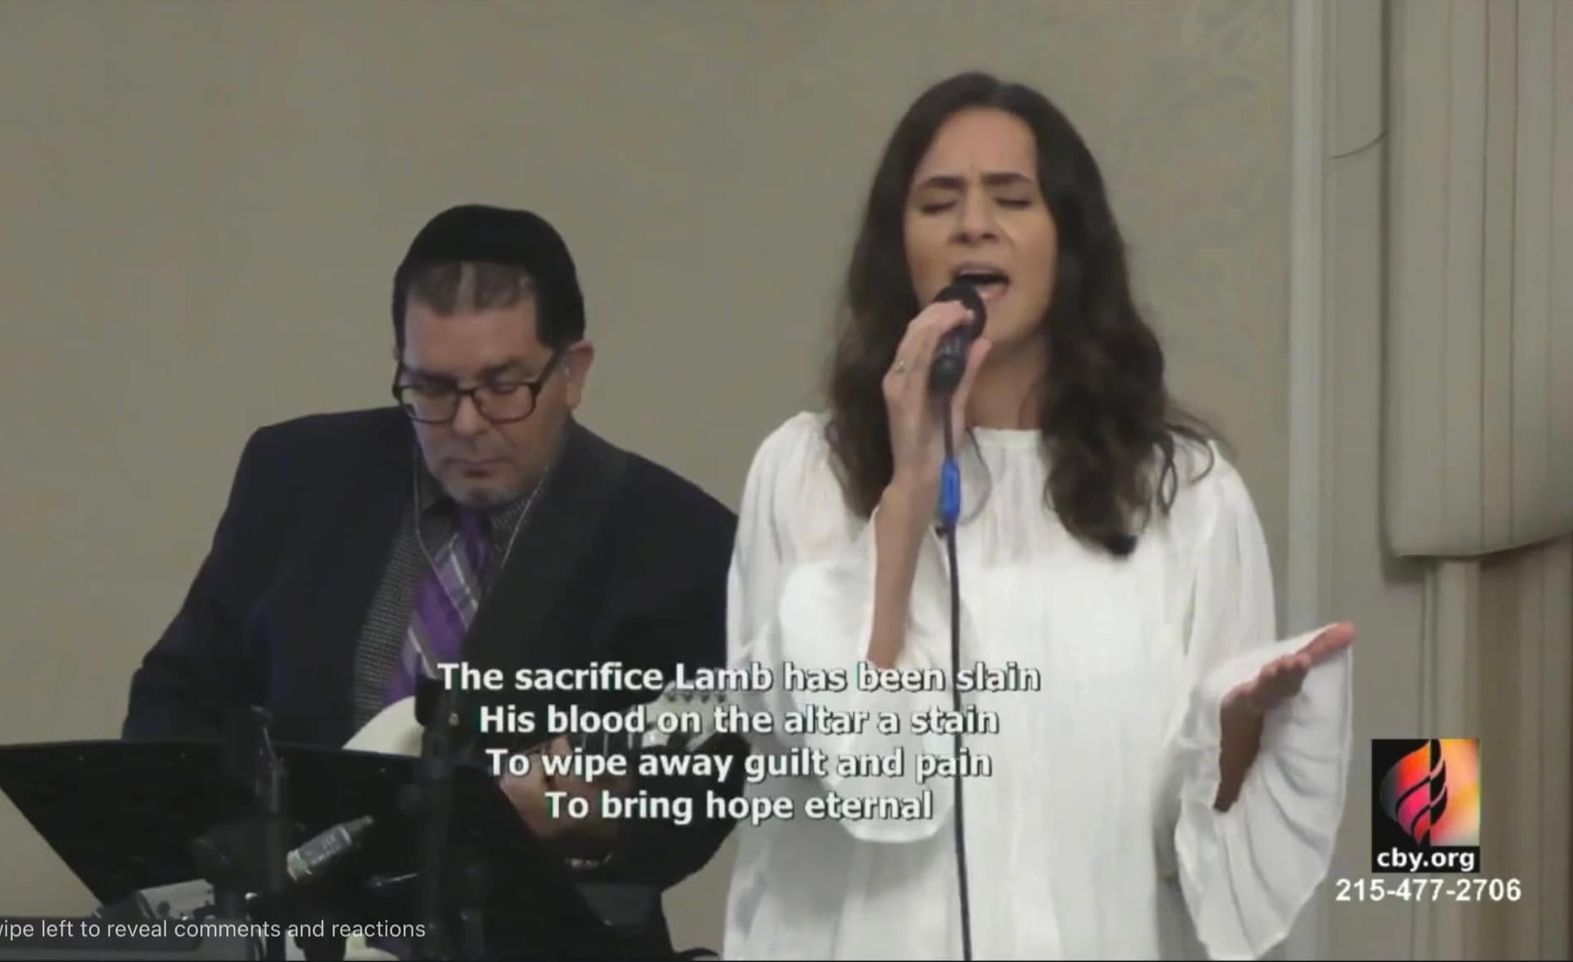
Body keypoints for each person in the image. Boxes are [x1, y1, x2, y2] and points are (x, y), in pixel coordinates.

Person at [721, 72, 1356, 960]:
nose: (973, 224)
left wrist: (1245, 732)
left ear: (1069, 242)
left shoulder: (1185, 493)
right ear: (899, 248)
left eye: (1011, 199)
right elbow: (861, 779)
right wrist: (908, 495)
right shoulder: (806, 473)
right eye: (938, 202)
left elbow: (1206, 865)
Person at [122, 203, 744, 957]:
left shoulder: (679, 541)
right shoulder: (295, 475)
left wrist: (602, 820)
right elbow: (179, 695)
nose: (468, 425)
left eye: (504, 386)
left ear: (572, 372)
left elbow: (699, 799)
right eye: (434, 388)